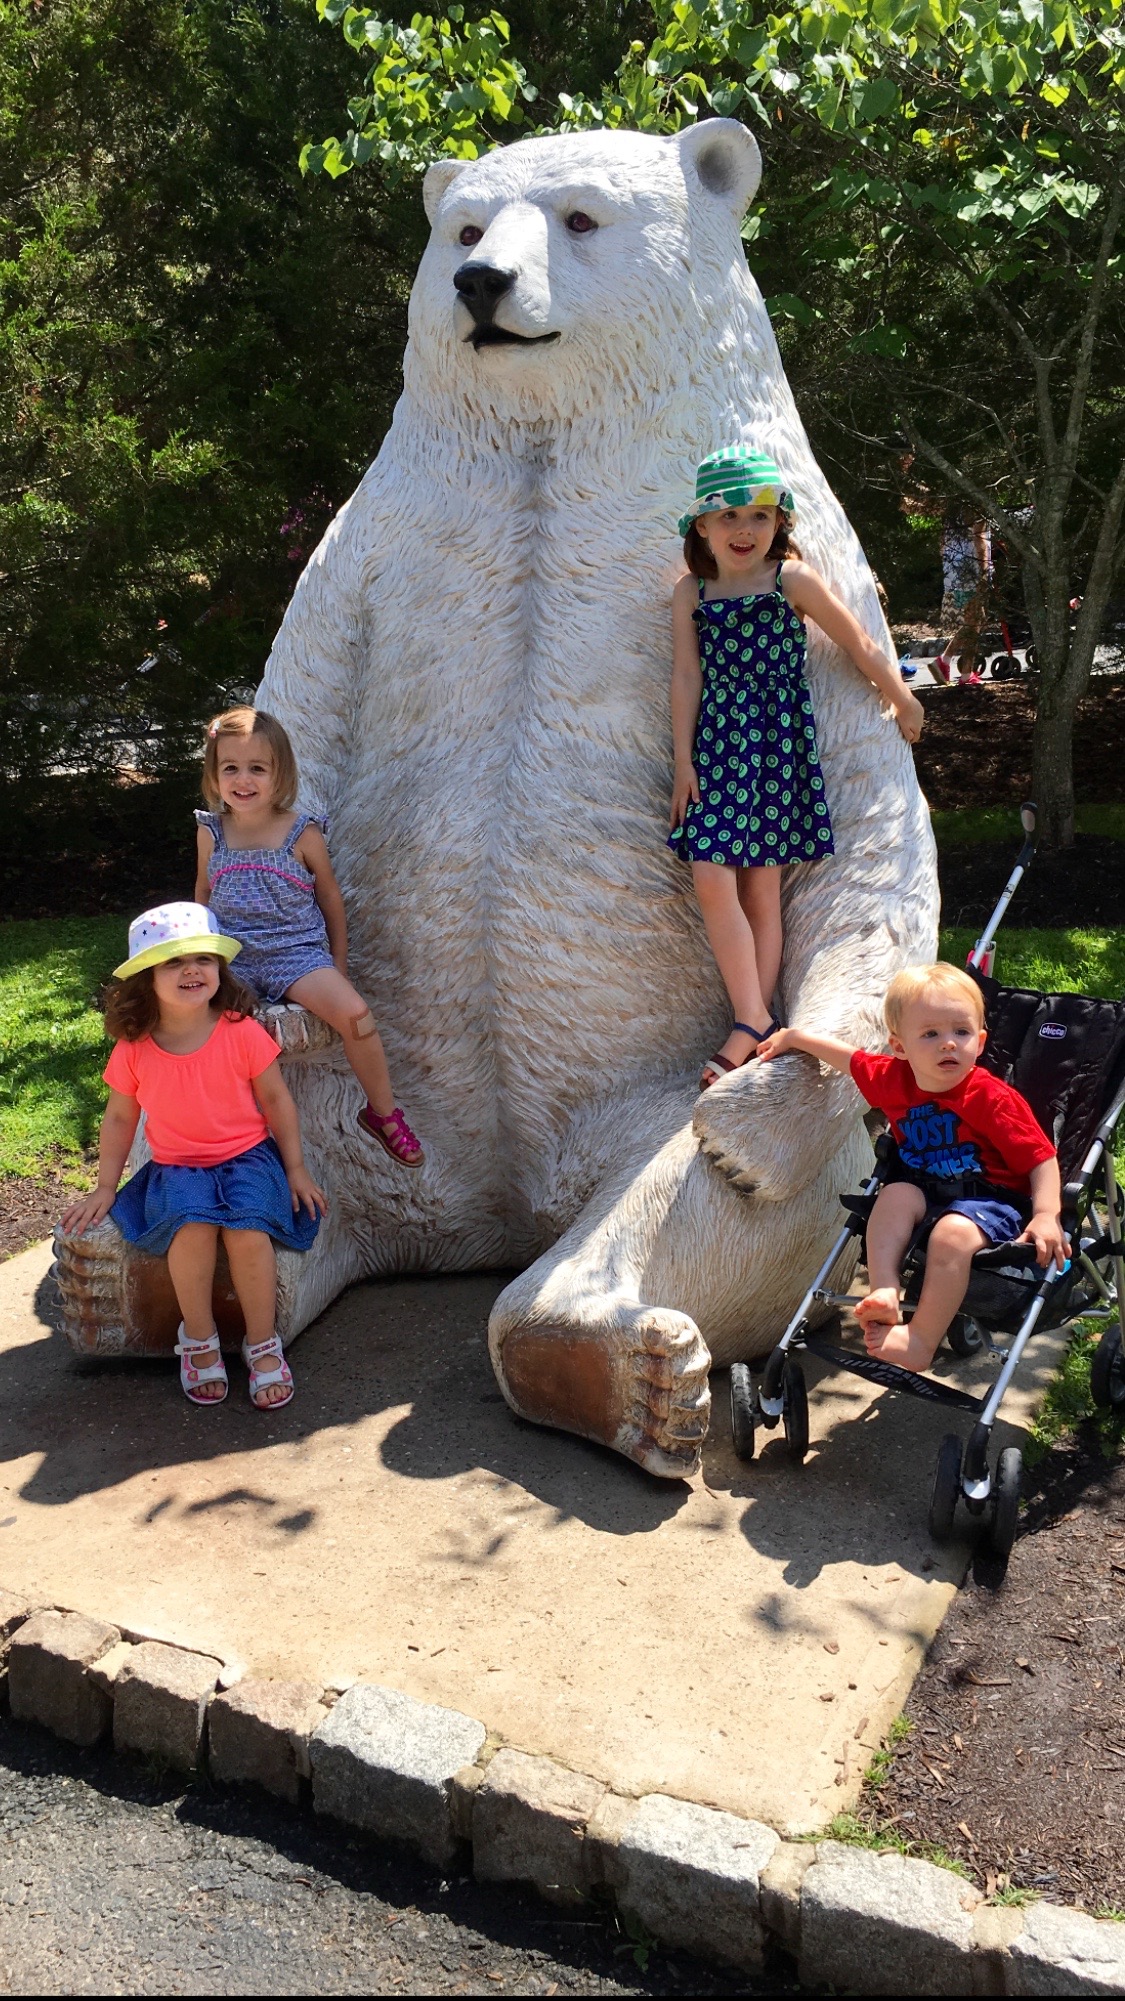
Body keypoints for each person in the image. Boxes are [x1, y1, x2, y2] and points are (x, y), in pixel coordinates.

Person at [668, 447, 925, 1089]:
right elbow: (686, 677)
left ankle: (752, 1023)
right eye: (727, 516)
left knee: (761, 889)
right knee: (711, 873)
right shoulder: (691, 592)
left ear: (779, 522)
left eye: (758, 515)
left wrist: (901, 695)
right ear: (702, 526)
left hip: (777, 750)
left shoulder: (790, 581)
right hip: (718, 750)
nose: (743, 529)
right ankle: (753, 1015)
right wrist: (682, 761)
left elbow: (855, 640)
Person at [60, 902, 328, 1409]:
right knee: (191, 1229)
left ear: (219, 969)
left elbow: (277, 1101)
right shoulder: (135, 1048)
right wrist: (104, 1187)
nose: (192, 969)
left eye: (204, 958)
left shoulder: (240, 1031)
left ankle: (262, 1341)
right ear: (146, 978)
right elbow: (119, 1119)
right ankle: (198, 1337)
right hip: (177, 1167)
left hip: (248, 1159)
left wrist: (295, 1169)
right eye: (174, 961)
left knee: (248, 1232)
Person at [758, 963, 1067, 1373]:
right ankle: (885, 1291)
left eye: (961, 1032)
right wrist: (794, 1037)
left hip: (992, 1200)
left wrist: (1046, 1214)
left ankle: (921, 1340)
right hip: (926, 1188)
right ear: (900, 1047)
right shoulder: (892, 1078)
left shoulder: (991, 1098)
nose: (948, 1044)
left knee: (952, 1234)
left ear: (979, 1041)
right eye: (930, 1034)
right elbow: (849, 1059)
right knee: (894, 1195)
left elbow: (1041, 1157)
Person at [195, 706, 422, 1168]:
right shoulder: (210, 833)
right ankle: (216, 1129)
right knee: (206, 1025)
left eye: (257, 768)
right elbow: (202, 892)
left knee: (356, 1016)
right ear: (214, 775)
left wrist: (337, 964)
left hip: (295, 953)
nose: (243, 780)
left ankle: (383, 1113)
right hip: (232, 956)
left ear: (279, 773)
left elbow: (330, 899)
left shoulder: (303, 833)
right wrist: (200, 955)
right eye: (230, 768)